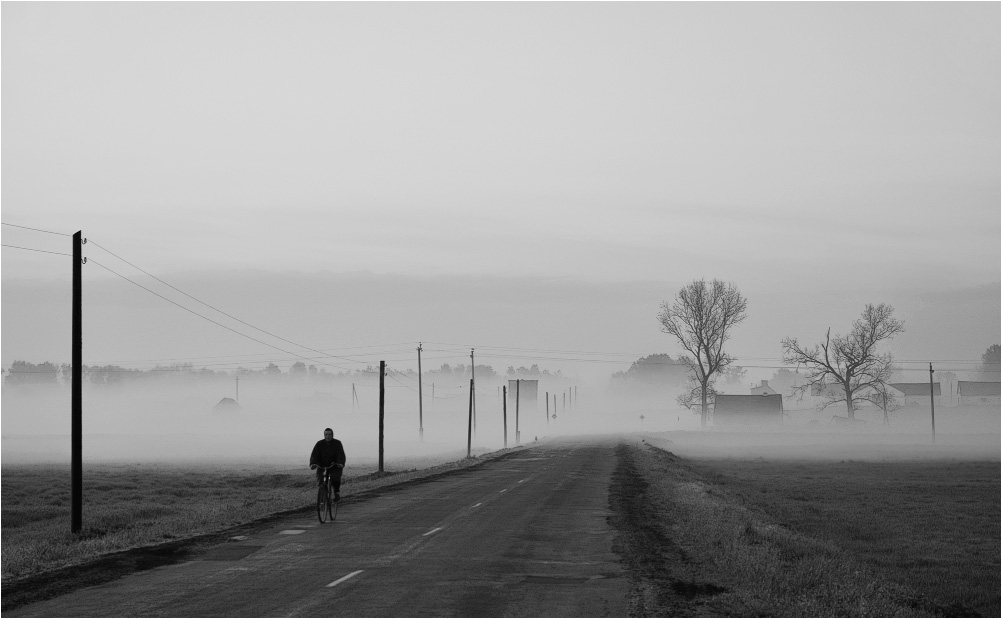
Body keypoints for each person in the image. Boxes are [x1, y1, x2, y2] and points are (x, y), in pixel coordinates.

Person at [310, 427, 346, 501]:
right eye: (326, 434)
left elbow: (341, 454)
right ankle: (323, 496)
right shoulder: (319, 444)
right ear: (324, 435)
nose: (328, 436)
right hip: (322, 466)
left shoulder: (337, 443)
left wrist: (340, 463)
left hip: (334, 466)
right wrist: (313, 463)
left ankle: (336, 493)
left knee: (335, 479)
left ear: (332, 435)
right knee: (320, 480)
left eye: (329, 434)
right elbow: (314, 454)